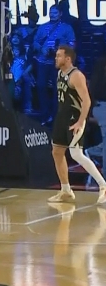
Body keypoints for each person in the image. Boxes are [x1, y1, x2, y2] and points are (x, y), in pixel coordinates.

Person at [48, 45, 106, 204]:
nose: (56, 58)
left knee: (76, 154)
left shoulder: (76, 75)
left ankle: (103, 185)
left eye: (59, 56)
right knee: (57, 152)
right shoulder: (60, 73)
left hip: (74, 119)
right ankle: (66, 190)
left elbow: (86, 101)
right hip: (62, 117)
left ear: (68, 59)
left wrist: (81, 122)